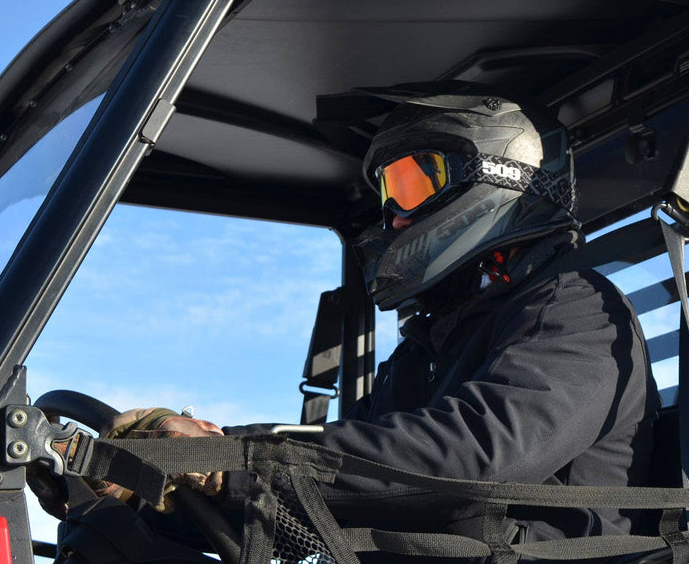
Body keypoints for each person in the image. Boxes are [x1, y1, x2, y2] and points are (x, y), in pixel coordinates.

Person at [87, 86, 659, 542]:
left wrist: (228, 459)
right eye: (389, 192)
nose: (395, 218)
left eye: (412, 183)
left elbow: (468, 459)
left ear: (498, 177)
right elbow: (345, 463)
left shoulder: (575, 309)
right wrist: (153, 486)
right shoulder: (427, 347)